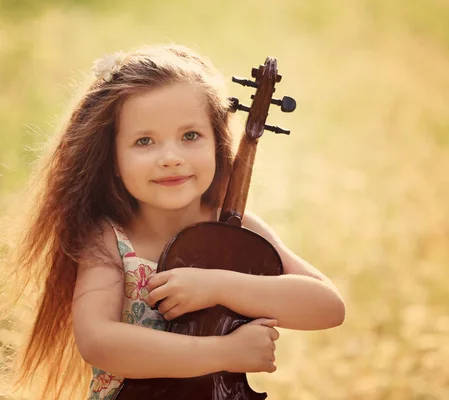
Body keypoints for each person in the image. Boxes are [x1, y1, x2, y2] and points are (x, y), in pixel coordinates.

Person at [8, 44, 345, 400]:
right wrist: (224, 353)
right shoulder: (111, 240)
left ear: (217, 141)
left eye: (190, 136)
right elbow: (99, 342)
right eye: (144, 141)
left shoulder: (237, 229)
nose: (170, 158)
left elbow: (327, 306)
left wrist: (217, 286)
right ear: (112, 156)